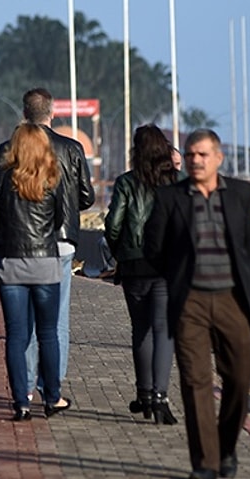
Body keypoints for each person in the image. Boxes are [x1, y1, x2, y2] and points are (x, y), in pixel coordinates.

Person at [144, 129, 250, 479]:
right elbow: (154, 246)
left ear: (218, 158)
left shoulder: (242, 194)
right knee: (195, 382)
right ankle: (206, 464)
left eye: (202, 155)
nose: (195, 160)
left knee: (239, 378)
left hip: (231, 299)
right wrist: (178, 275)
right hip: (190, 301)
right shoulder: (170, 197)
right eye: (190, 155)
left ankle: (226, 448)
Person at [0, 87, 94, 404]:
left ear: (24, 114)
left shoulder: (8, 149)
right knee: (55, 321)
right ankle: (53, 385)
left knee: (20, 327)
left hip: (15, 246)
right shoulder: (71, 147)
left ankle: (24, 390)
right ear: (53, 113)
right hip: (59, 243)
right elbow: (86, 197)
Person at [0, 123, 66, 421]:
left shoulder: (2, 179)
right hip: (45, 262)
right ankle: (52, 397)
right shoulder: (52, 179)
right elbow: (59, 220)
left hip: (11, 264)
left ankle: (21, 401)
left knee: (16, 335)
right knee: (48, 333)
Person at [104, 124, 179, 425]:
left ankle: (144, 394)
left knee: (141, 329)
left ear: (136, 150)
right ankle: (160, 396)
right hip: (166, 267)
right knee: (164, 330)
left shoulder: (126, 182)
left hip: (134, 266)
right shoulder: (177, 182)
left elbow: (112, 225)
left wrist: (121, 254)